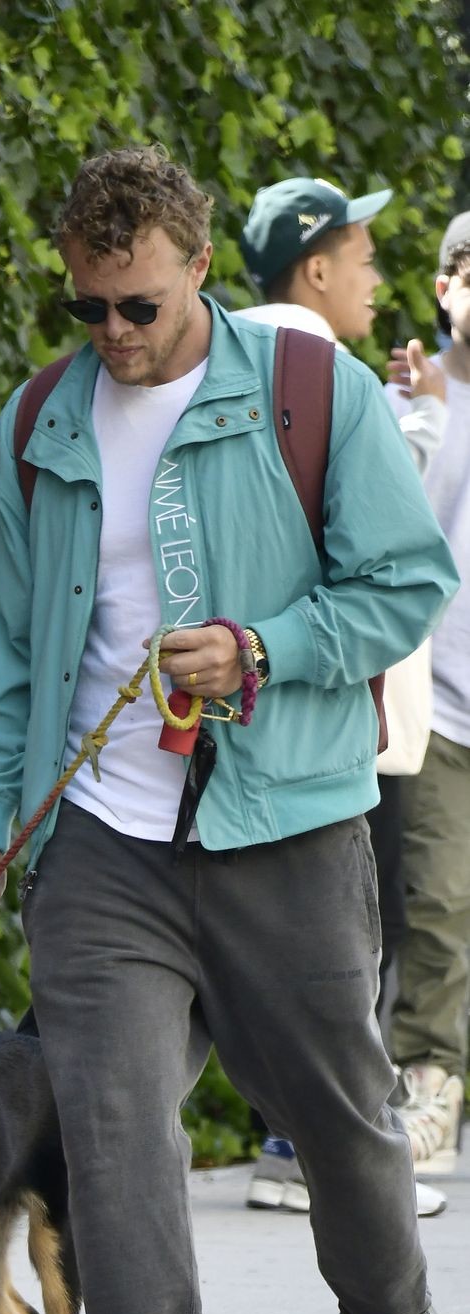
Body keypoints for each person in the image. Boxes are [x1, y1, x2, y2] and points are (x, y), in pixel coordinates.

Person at [0, 147, 457, 1314]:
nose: (111, 334)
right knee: (110, 1131)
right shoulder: (37, 426)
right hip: (102, 843)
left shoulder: (310, 392)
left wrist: (262, 648)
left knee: (340, 1125)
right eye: (87, 307)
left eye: (139, 307)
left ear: (199, 272)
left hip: (285, 820)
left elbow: (405, 582)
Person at [235, 176, 447, 1215]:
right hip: (328, 710)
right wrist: (425, 420)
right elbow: (385, 549)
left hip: (252, 701)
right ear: (314, 267)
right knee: (336, 946)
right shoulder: (321, 377)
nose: (375, 278)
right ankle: (312, 1155)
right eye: (361, 259)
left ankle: (293, 1144)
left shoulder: (225, 365)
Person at [384, 210, 470, 1176]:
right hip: (439, 704)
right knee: (438, 907)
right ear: (444, 287)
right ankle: (429, 1089)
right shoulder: (404, 395)